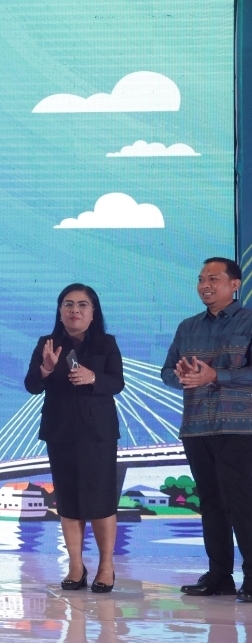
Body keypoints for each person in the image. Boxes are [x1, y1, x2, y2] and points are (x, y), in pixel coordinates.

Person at [162, 257, 252, 602]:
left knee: (242, 502)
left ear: (235, 284)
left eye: (213, 279)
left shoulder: (248, 322)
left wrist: (217, 376)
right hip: (197, 426)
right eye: (201, 279)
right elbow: (167, 372)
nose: (205, 286)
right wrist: (182, 377)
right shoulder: (188, 327)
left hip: (239, 428)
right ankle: (219, 576)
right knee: (211, 504)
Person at [24, 284, 124, 593]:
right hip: (61, 430)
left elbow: (117, 383)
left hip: (98, 432)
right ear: (60, 311)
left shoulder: (106, 343)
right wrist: (45, 369)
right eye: (68, 304)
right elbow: (31, 385)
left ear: (93, 312)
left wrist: (93, 378)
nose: (75, 310)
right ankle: (76, 566)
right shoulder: (48, 343)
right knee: (68, 499)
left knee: (101, 499)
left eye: (82, 305)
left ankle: (106, 566)